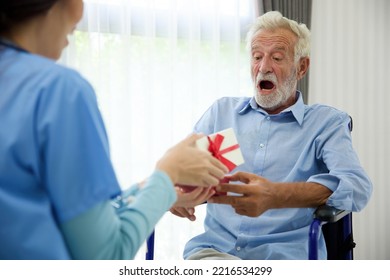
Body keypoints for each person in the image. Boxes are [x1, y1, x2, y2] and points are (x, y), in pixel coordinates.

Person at [0, 0, 228, 260]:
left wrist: (157, 192)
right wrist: (167, 173)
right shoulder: (60, 91)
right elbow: (107, 257)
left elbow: (68, 218)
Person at [170, 11, 373, 260]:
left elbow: (356, 186)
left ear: (301, 67)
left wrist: (276, 195)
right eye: (257, 57)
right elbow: (185, 169)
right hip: (215, 252)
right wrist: (175, 188)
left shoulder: (325, 124)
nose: (264, 67)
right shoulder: (223, 114)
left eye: (277, 58)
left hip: (283, 257)